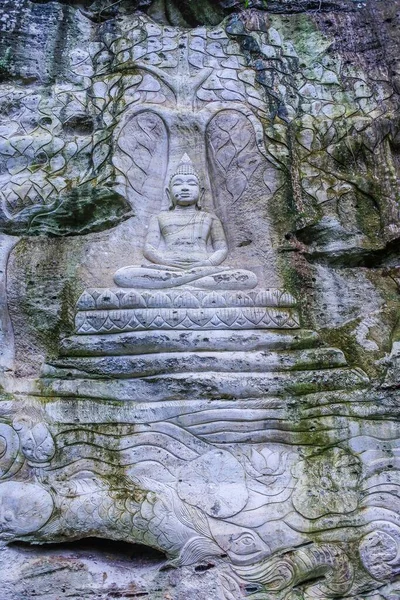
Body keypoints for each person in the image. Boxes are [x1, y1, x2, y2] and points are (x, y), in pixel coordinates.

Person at [114, 154, 257, 290]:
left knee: (247, 277)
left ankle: (178, 285)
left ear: (201, 193)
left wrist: (207, 264)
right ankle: (190, 285)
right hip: (167, 269)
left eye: (191, 184)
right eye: (178, 184)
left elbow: (221, 249)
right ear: (168, 193)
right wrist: (165, 262)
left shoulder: (210, 218)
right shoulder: (159, 218)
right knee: (123, 275)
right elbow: (149, 248)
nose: (184, 188)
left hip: (204, 269)